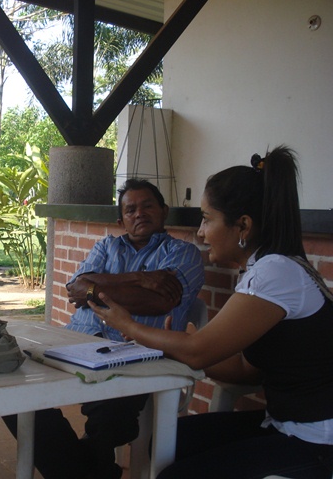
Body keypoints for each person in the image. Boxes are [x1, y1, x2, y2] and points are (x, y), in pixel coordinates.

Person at [90, 147, 333, 478]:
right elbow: (247, 370)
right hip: (284, 424)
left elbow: (198, 351)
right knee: (168, 442)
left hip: (317, 439)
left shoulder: (275, 272)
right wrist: (177, 346)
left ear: (243, 225)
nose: (201, 233)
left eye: (207, 219)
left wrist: (130, 326)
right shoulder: (268, 268)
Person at [4, 178, 205, 479]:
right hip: (77, 342)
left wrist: (95, 289)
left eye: (147, 206)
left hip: (138, 351)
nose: (139, 214)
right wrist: (141, 278)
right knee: (15, 389)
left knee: (109, 410)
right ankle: (95, 467)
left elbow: (158, 301)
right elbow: (75, 288)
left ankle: (89, 468)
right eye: (130, 210)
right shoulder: (107, 246)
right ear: (121, 220)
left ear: (164, 211)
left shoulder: (183, 252)